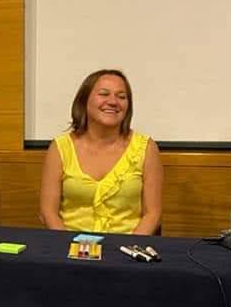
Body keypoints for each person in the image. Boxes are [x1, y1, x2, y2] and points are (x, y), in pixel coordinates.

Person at [39, 69, 163, 234]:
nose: (113, 102)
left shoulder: (146, 148)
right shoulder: (60, 147)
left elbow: (152, 215)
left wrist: (130, 246)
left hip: (128, 245)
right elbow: (48, 212)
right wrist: (69, 245)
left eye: (121, 97)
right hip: (70, 244)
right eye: (104, 94)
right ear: (84, 101)